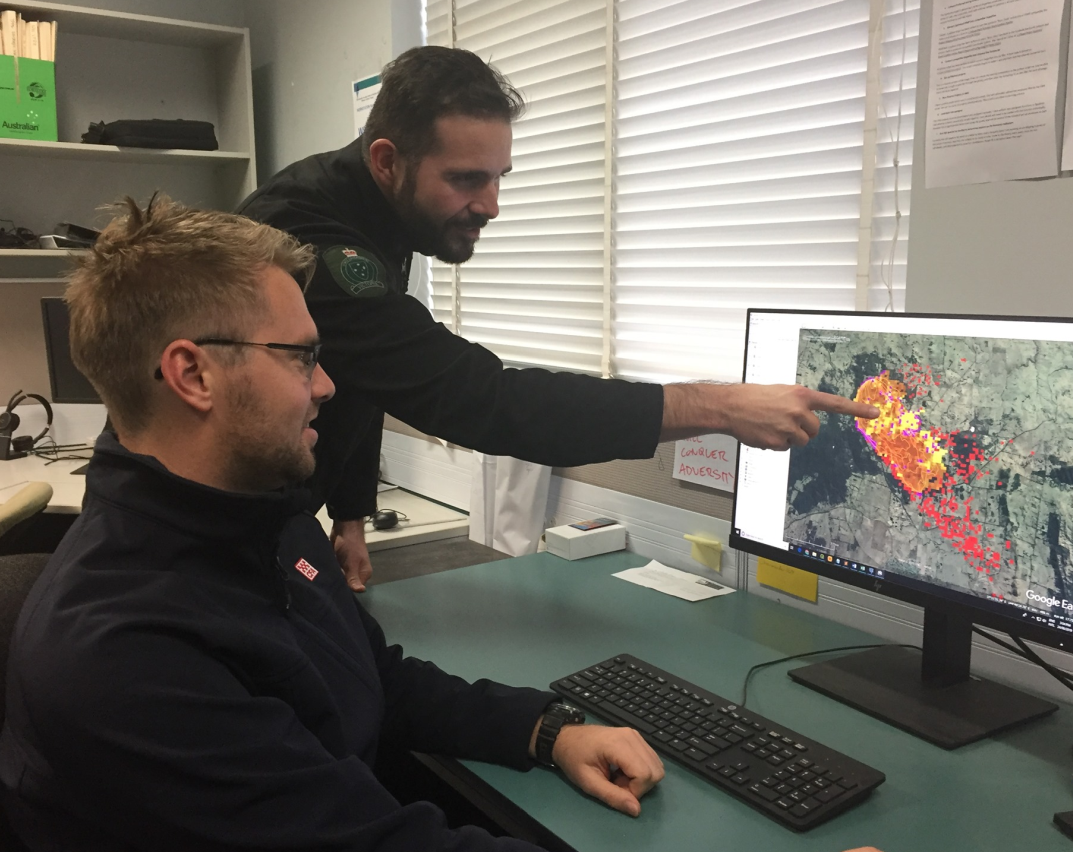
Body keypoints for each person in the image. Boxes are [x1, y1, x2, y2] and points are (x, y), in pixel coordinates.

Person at [0, 197, 664, 851]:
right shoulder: (125, 656)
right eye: (301, 357)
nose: (327, 387)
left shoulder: (258, 513)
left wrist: (544, 729)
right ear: (193, 374)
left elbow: (370, 675)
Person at [237, 46, 879, 593]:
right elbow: (477, 399)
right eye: (466, 180)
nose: (490, 206)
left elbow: (360, 369)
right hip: (228, 524)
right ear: (386, 160)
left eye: (498, 178)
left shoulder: (373, 207)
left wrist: (350, 516)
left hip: (290, 509)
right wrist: (716, 406)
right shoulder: (310, 234)